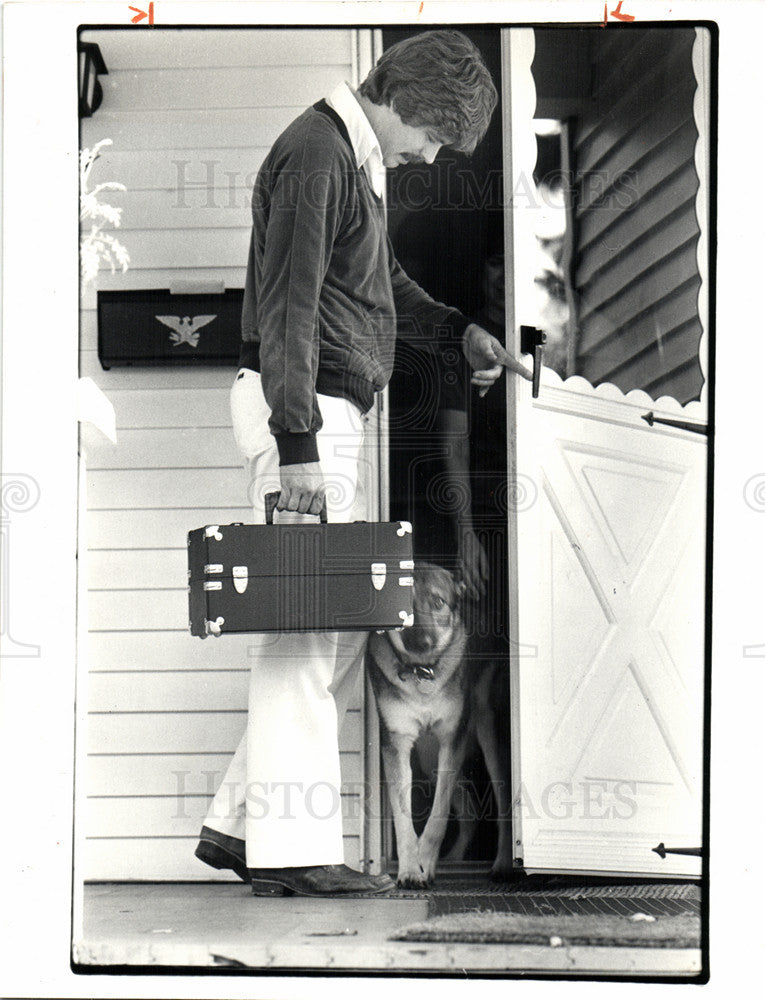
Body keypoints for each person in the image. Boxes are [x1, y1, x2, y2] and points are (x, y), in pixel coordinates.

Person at [194, 29, 521, 897]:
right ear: (410, 100)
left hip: (331, 412)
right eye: (438, 136)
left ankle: (237, 827)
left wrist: (459, 329)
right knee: (306, 632)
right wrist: (297, 447)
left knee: (338, 625)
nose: (432, 155)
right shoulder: (316, 154)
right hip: (301, 414)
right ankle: (293, 853)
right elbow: (288, 307)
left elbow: (383, 288)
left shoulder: (353, 160)